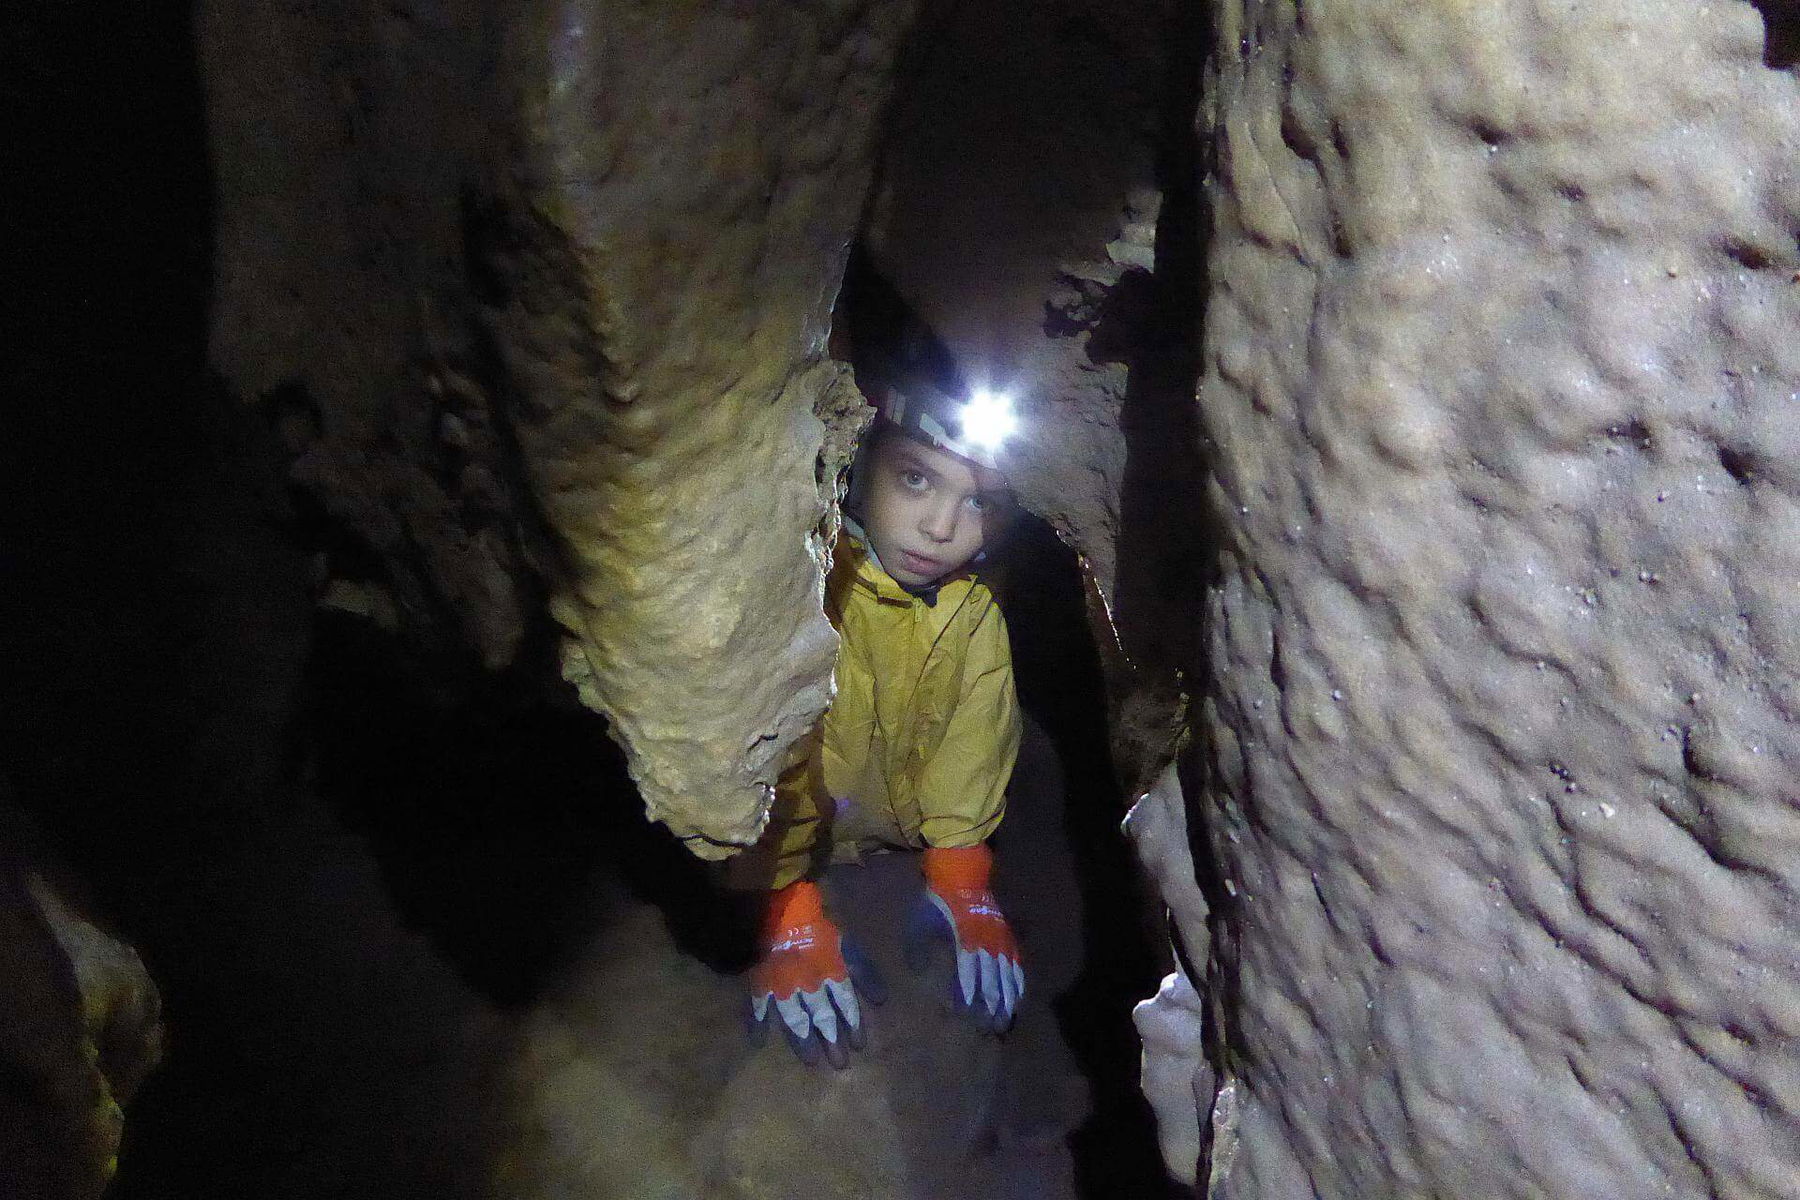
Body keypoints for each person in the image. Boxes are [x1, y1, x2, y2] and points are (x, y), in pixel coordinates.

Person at [737, 367, 1027, 1068]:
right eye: (917, 479)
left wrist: (962, 874)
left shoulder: (973, 617)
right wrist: (786, 911)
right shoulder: (806, 590)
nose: (941, 527)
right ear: (861, 464)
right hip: (796, 858)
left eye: (977, 502)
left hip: (892, 848)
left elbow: (973, 748)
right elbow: (759, 756)